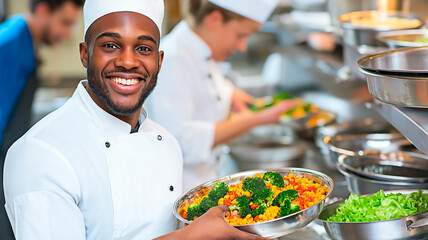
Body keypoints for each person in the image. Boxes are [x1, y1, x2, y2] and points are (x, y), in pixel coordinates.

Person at [3, 0, 268, 239]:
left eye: (143, 48)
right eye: (110, 45)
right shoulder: (40, 154)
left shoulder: (166, 144)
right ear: (85, 53)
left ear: (159, 60)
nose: (128, 61)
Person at [145, 0, 297, 192]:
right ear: (214, 19)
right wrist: (257, 119)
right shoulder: (174, 58)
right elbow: (183, 142)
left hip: (207, 180)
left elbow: (211, 86)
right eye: (240, 35)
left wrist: (231, 94)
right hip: (184, 190)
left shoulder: (201, 51)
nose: (243, 46)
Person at [0, 0, 83, 238]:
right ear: (43, 10)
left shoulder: (25, 43)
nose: (66, 33)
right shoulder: (9, 45)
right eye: (64, 23)